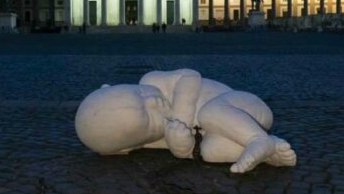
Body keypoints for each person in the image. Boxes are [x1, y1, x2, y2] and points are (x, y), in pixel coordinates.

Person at [75, 69, 296, 173]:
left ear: (112, 86)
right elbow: (188, 148)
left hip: (243, 108)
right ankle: (270, 152)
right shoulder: (151, 140)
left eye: (140, 95)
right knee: (209, 151)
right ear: (131, 146)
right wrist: (182, 147)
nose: (154, 102)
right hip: (222, 133)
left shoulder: (152, 80)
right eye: (149, 118)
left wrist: (180, 118)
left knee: (209, 112)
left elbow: (190, 76)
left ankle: (257, 138)